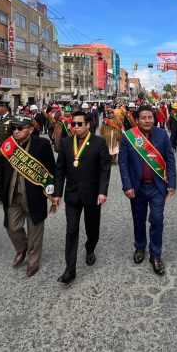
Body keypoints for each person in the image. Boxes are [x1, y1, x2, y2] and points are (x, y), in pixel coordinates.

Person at [53, 110, 112, 284]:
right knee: (71, 230)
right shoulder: (65, 143)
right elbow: (60, 170)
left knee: (92, 228)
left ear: (88, 125)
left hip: (93, 194)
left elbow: (104, 168)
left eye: (80, 124)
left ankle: (90, 248)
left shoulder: (99, 142)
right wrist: (57, 193)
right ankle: (70, 270)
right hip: (72, 195)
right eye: (73, 124)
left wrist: (102, 191)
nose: (76, 127)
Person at [119, 105, 176, 275]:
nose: (147, 121)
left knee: (157, 220)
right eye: (143, 118)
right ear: (136, 120)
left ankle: (155, 254)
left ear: (154, 118)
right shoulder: (129, 137)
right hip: (137, 187)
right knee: (139, 219)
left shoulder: (162, 134)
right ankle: (140, 247)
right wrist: (127, 185)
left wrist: (171, 181)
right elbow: (123, 163)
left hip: (157, 187)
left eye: (149, 117)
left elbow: (170, 159)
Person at [0, 115, 56, 276]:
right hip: (13, 194)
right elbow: (3, 169)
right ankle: (22, 248)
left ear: (30, 130)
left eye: (19, 128)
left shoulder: (42, 144)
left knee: (35, 229)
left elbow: (51, 169)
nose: (15, 131)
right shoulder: (9, 145)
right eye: (14, 128)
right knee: (12, 227)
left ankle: (33, 259)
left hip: (33, 194)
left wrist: (54, 191)